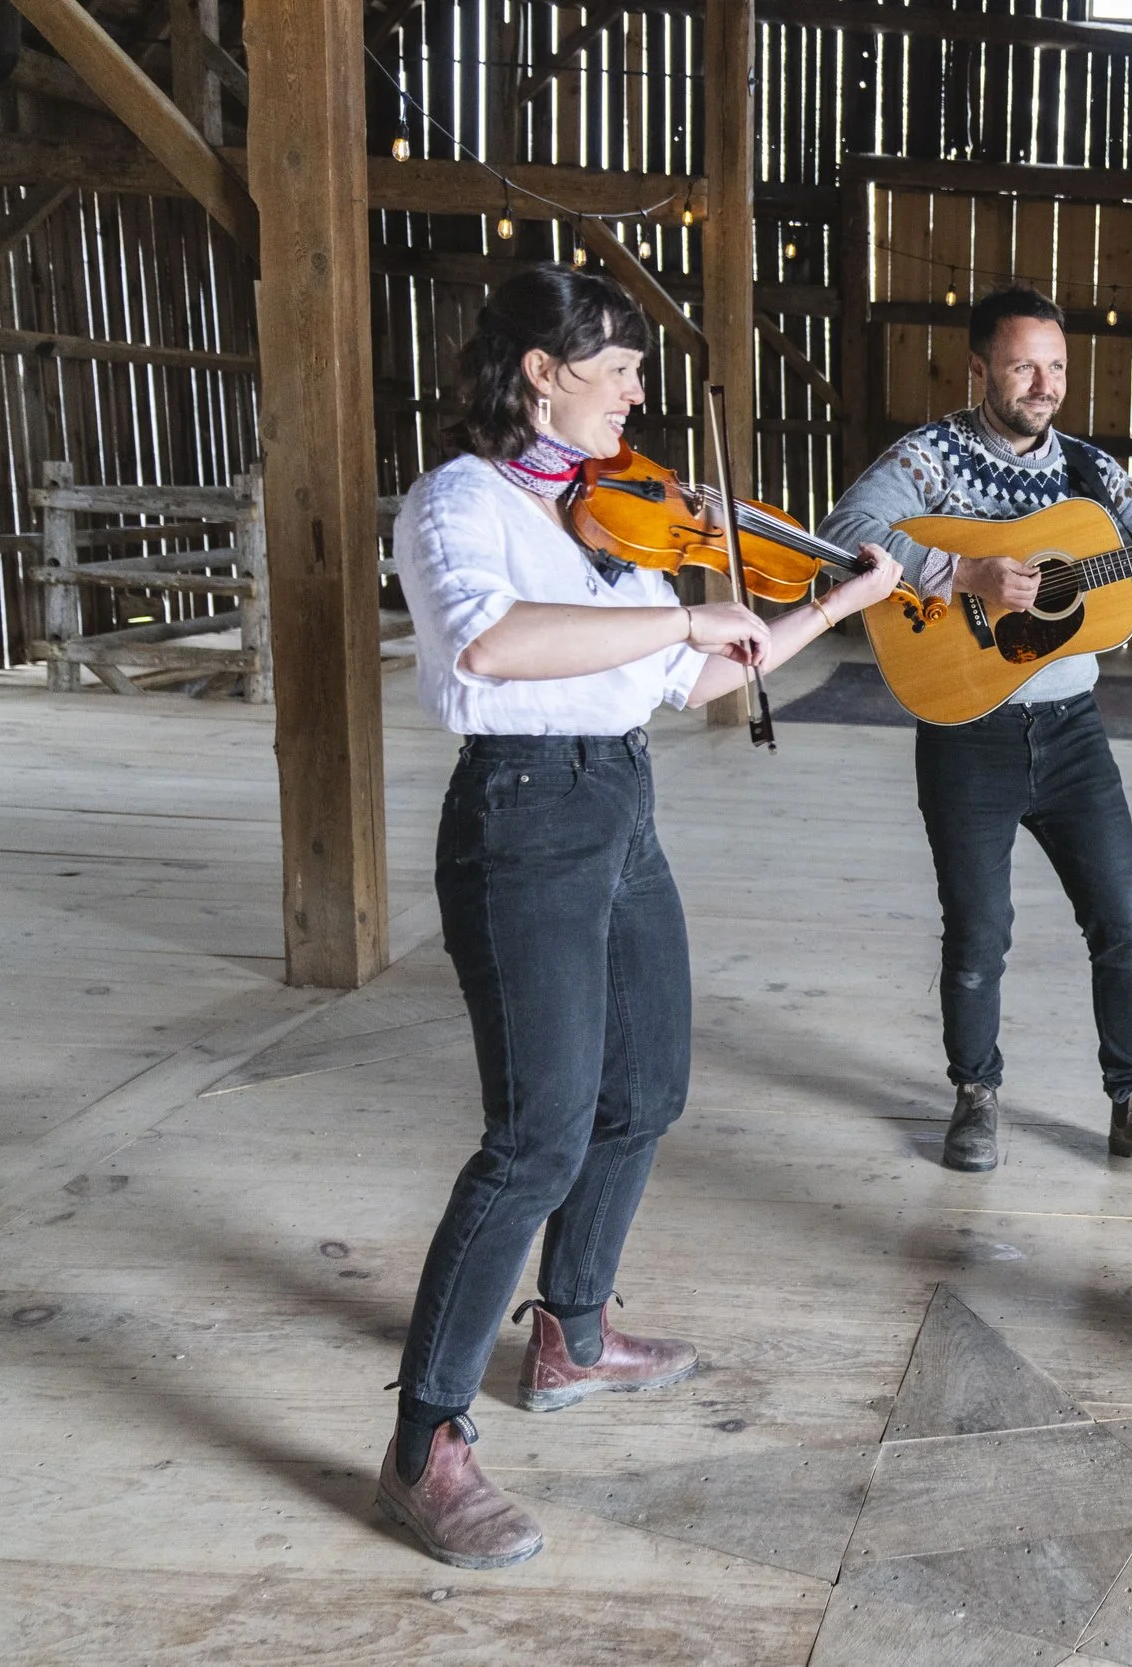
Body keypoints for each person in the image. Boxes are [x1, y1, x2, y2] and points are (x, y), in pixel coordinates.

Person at [379, 265, 903, 1569]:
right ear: (540, 371)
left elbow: (700, 671)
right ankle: (425, 1442)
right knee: (533, 1138)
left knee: (649, 1086)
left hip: (621, 801)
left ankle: (571, 1330)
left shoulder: (608, 518)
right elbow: (491, 644)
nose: (634, 393)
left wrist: (832, 602)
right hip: (520, 813)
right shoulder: (458, 501)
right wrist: (679, 611)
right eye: (615, 368)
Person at [818, 286, 1132, 1173]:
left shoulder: (1094, 476)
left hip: (1073, 729)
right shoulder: (929, 457)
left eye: (1057, 367)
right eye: (1023, 366)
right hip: (967, 726)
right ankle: (976, 1095)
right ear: (979, 369)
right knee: (978, 932)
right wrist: (964, 572)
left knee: (1124, 919)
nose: (1044, 385)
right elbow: (842, 532)